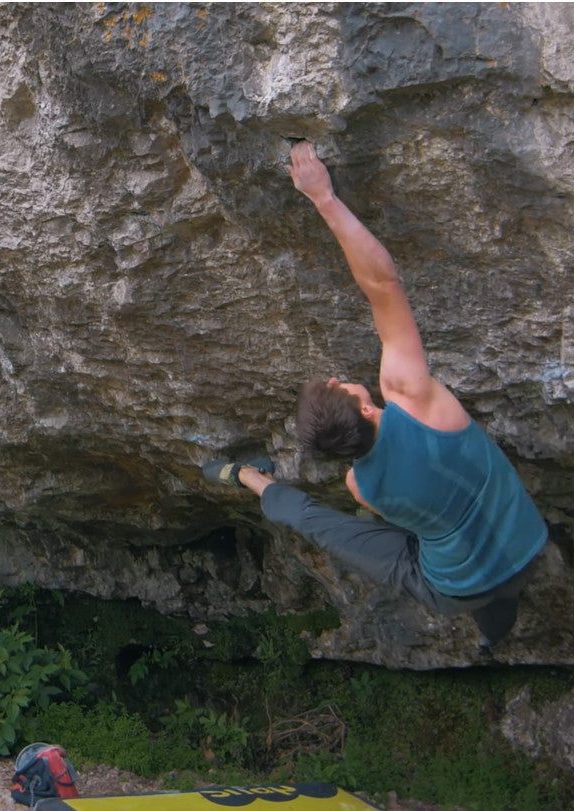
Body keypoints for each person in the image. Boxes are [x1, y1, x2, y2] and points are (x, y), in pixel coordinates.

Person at [203, 141, 548, 647]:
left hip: (454, 588)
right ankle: (498, 619)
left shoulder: (362, 486)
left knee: (316, 523)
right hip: (525, 544)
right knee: (481, 578)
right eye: (338, 385)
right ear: (364, 406)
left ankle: (252, 479)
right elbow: (383, 283)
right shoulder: (413, 397)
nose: (339, 377)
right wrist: (323, 198)